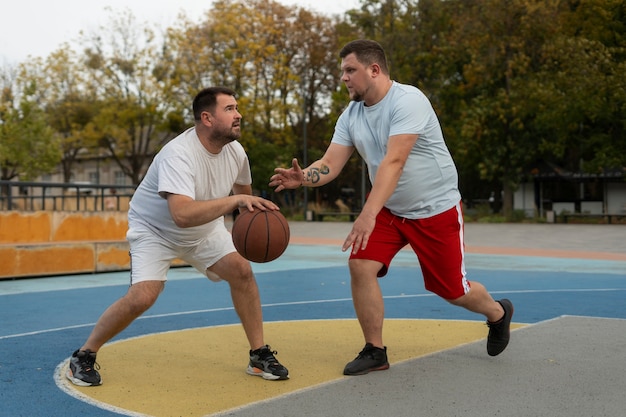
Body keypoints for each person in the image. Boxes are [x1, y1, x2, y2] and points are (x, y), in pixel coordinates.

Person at [270, 39, 513, 376]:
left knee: (454, 291)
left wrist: (367, 213)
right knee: (360, 266)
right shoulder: (352, 115)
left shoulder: (409, 101)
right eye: (343, 71)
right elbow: (330, 163)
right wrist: (305, 177)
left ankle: (498, 313)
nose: (343, 78)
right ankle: (375, 350)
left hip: (434, 210)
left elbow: (394, 162)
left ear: (374, 69)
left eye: (350, 70)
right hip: (391, 210)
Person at [66, 87, 289, 386]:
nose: (239, 115)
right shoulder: (178, 153)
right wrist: (235, 203)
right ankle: (83, 355)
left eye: (237, 108)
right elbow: (182, 215)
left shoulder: (236, 152)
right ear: (207, 118)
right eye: (230, 109)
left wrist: (255, 226)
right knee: (142, 297)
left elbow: (243, 199)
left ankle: (259, 355)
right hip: (155, 230)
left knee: (241, 272)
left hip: (204, 228)